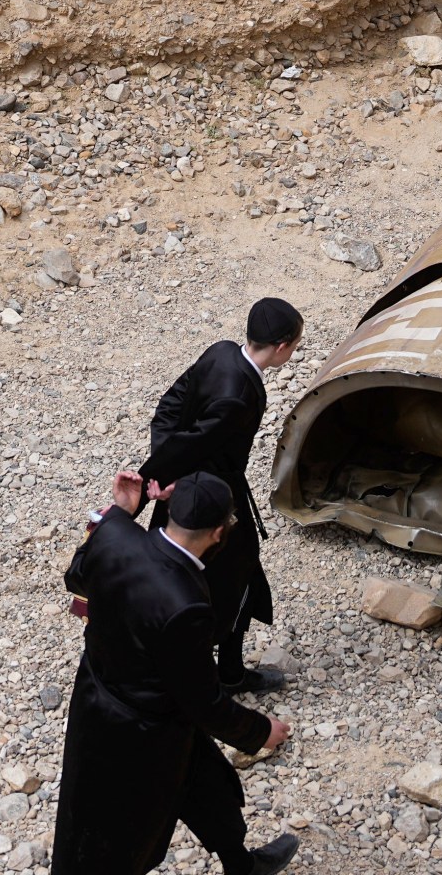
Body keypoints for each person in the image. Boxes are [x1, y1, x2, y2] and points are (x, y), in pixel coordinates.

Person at [53, 469, 299, 875]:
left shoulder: (114, 532)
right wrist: (259, 731)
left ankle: (241, 864)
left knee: (209, 787)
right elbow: (203, 700)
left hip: (100, 698)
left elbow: (76, 575)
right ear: (219, 533)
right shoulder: (186, 606)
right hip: (143, 732)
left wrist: (121, 510)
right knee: (116, 839)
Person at [138, 297, 303, 694]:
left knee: (177, 574)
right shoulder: (239, 395)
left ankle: (193, 668)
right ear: (281, 346)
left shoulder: (220, 353)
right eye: (295, 345)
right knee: (235, 579)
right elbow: (198, 441)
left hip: (189, 487)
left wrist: (164, 470)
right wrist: (162, 479)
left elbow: (170, 407)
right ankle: (218, 676)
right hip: (211, 496)